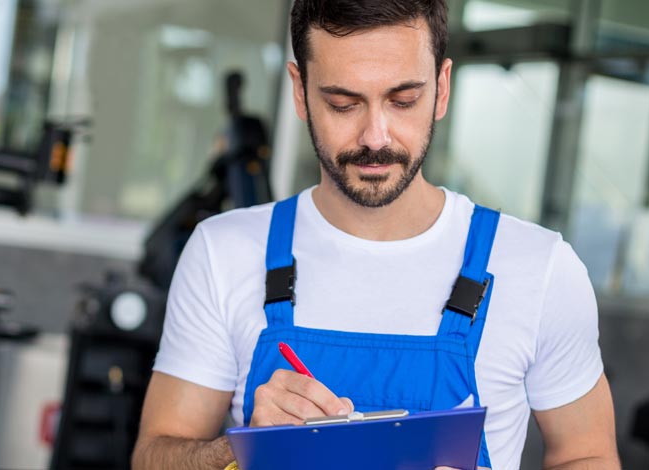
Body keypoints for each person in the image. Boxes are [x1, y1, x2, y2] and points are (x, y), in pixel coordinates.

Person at [132, 0, 620, 469]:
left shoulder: (539, 267)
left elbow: (588, 456)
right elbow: (153, 456)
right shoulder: (224, 252)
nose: (375, 137)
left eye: (403, 100)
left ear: (442, 88)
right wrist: (242, 452)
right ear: (300, 92)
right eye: (344, 103)